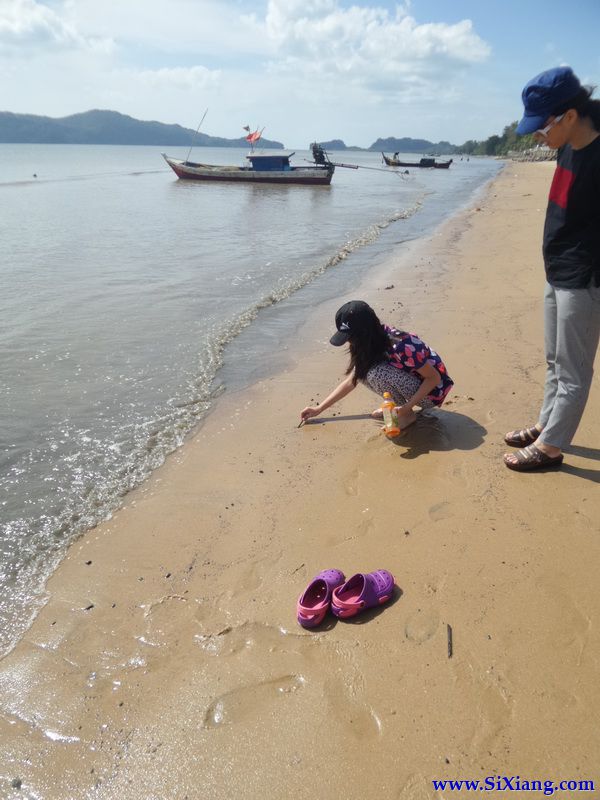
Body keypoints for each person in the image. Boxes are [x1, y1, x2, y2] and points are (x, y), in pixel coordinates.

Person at [504, 66, 600, 471]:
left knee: (574, 367)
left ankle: (552, 446)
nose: (537, 138)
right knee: (553, 359)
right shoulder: (566, 145)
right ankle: (547, 424)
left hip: (585, 275)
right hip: (556, 268)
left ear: (571, 116)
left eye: (541, 128)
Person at [299, 300, 453, 428]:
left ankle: (406, 415)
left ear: (365, 333)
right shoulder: (369, 344)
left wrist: (407, 408)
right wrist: (319, 409)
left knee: (375, 373)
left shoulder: (401, 345)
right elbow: (352, 381)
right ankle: (394, 408)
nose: (350, 342)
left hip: (432, 393)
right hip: (414, 383)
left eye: (351, 337)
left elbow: (434, 378)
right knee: (363, 373)